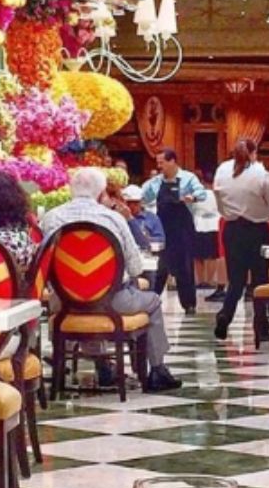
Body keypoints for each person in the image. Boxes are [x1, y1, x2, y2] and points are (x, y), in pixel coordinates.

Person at [41, 167, 181, 392]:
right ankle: (157, 370)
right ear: (101, 194)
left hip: (64, 303)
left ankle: (103, 365)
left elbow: (42, 264)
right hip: (113, 302)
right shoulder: (113, 219)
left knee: (87, 305)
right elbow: (135, 268)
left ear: (71, 190)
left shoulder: (50, 218)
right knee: (153, 301)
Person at [213, 138, 269, 341]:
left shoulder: (222, 170)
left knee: (236, 281)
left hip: (231, 230)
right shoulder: (261, 174)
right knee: (259, 280)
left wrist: (229, 213)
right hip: (257, 230)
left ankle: (225, 315)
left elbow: (219, 201)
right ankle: (261, 327)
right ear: (254, 153)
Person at [142, 149, 206, 314]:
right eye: (158, 163)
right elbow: (143, 197)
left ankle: (189, 305)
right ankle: (152, 301)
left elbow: (202, 193)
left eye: (162, 162)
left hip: (183, 229)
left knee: (185, 266)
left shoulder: (188, 178)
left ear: (172, 161)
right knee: (160, 266)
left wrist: (192, 197)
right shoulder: (156, 182)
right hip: (162, 228)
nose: (159, 166)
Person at [191, 174, 225, 299]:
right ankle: (209, 280)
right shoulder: (217, 194)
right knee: (211, 255)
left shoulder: (198, 194)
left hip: (199, 224)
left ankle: (200, 281)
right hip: (213, 225)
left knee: (199, 255)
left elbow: (193, 208)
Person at [121, 184, 165, 253]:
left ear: (141, 201)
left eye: (135, 202)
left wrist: (147, 239)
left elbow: (161, 241)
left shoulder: (152, 218)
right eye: (129, 203)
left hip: (146, 255)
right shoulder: (118, 218)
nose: (132, 206)